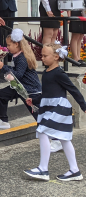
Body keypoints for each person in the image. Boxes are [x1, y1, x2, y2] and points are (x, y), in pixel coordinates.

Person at [24, 43, 86, 182]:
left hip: (58, 107)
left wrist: (84, 106)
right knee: (64, 138)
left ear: (56, 57)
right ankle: (74, 170)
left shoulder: (59, 73)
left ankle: (43, 169)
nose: (42, 58)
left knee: (42, 131)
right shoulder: (46, 73)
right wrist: (34, 99)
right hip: (49, 106)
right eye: (42, 55)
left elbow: (73, 90)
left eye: (45, 56)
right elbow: (47, 93)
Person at [0, 29, 42, 129]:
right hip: (19, 86)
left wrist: (3, 67)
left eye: (9, 45)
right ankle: (3, 121)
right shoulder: (17, 55)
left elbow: (18, 75)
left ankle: (54, 136)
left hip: (29, 89)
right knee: (2, 95)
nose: (7, 48)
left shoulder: (21, 57)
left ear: (16, 44)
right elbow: (16, 72)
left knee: (37, 113)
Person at [64, 0, 86, 66]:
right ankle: (75, 59)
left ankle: (79, 57)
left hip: (82, 12)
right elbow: (68, 0)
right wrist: (68, 14)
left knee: (81, 35)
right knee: (75, 34)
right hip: (74, 12)